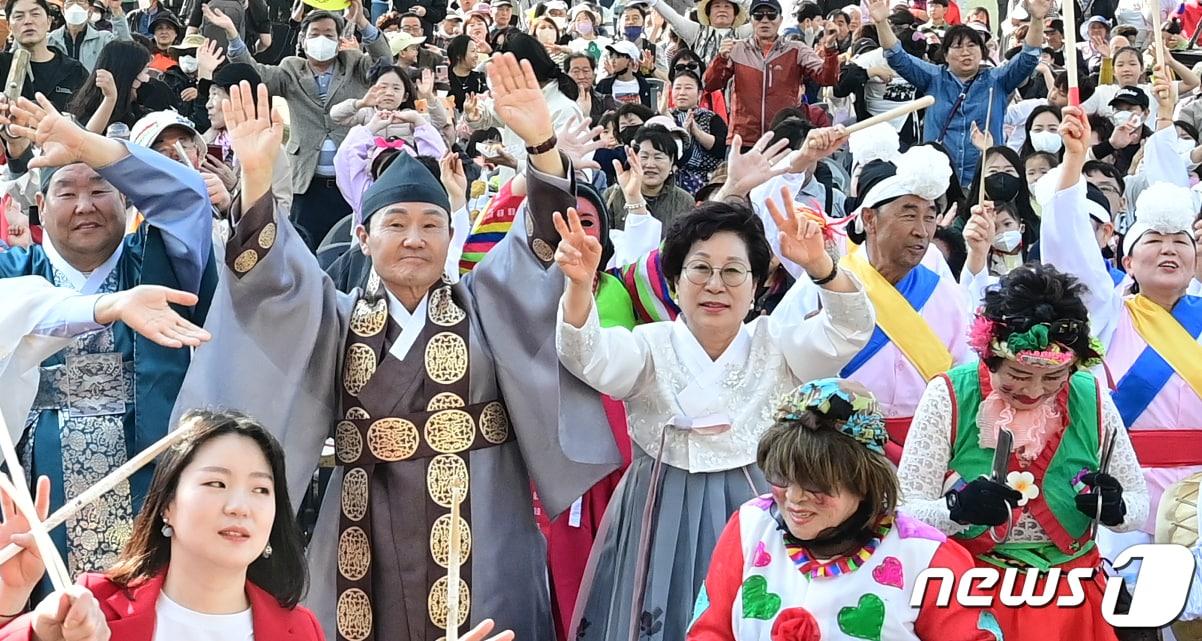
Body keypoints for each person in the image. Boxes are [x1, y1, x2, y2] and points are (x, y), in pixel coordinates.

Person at [174, 57, 623, 641]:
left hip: (482, 510)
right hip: (364, 517)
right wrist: (258, 180)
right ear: (362, 234)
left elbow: (540, 244)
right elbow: (272, 284)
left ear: (451, 235)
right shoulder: (337, 314)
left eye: (432, 225)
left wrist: (540, 144)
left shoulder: (485, 301)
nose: (415, 238)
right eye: (396, 224)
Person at [556, 129, 874, 641]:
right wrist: (577, 286)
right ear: (675, 281)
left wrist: (819, 266)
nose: (715, 285)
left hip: (756, 503)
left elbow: (848, 328)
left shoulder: (778, 343)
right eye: (699, 269)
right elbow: (585, 353)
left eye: (733, 272)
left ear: (758, 285)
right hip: (656, 502)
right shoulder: (650, 344)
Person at [0, 90, 215, 584]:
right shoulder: (16, 271)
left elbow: (188, 200)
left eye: (99, 189)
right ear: (39, 203)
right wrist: (106, 308)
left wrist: (85, 144)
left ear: (125, 198)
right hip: (35, 474)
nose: (84, 207)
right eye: (66, 192)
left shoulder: (161, 264)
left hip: (147, 463)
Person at [897, 264, 1148, 641]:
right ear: (987, 357)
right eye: (1016, 374)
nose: (1033, 390)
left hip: (1072, 591)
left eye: (1052, 378)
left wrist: (1117, 508)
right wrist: (955, 509)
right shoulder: (947, 396)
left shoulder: (1091, 397)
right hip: (973, 588)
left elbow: (1138, 500)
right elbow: (905, 510)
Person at [688, 379, 1000, 640]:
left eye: (816, 484)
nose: (794, 498)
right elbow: (709, 631)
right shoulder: (749, 526)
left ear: (864, 484)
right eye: (782, 477)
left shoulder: (928, 558)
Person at [1040, 103, 1202, 600]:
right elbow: (1069, 249)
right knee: (1136, 615)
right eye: (1154, 239)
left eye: (1181, 241)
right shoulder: (1106, 315)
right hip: (1125, 491)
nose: (1170, 248)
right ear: (1127, 259)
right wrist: (1073, 160)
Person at [0, 409, 321, 641]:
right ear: (168, 504)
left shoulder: (300, 630)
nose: (240, 507)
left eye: (260, 490)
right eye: (216, 483)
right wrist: (12, 605)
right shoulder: (89, 608)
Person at [779, 144, 970, 464]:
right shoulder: (828, 279)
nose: (921, 231)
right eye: (909, 214)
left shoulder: (940, 289)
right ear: (869, 219)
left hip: (922, 448)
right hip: (837, 446)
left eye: (930, 217)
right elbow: (786, 356)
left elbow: (963, 371)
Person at [210, 0, 393, 250]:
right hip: (307, 183)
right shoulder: (291, 70)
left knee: (349, 248)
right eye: (314, 34)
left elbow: (385, 61)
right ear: (304, 41)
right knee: (304, 248)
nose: (321, 39)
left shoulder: (355, 64)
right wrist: (232, 34)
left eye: (328, 34)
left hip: (351, 181)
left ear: (339, 41)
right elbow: (254, 74)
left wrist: (362, 22)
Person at [868, 0, 1049, 187]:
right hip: (938, 182)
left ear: (982, 52)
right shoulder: (933, 77)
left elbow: (1029, 57)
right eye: (957, 46)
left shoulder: (997, 79)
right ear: (945, 55)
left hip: (985, 181)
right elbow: (896, 57)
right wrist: (881, 23)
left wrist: (1037, 18)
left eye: (972, 46)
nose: (965, 52)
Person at [703, 0, 839, 147]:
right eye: (759, 15)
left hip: (784, 140)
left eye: (771, 15)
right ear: (752, 21)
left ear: (780, 20)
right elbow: (710, 84)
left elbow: (828, 79)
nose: (765, 20)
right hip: (743, 141)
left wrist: (830, 47)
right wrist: (720, 59)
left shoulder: (796, 49)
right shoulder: (737, 48)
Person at [0, 0, 88, 113]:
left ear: (49, 22)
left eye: (35, 14)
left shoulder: (74, 71)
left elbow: (86, 122)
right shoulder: (3, 65)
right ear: (9, 26)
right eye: (19, 16)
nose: (28, 21)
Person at [67, 41, 152, 133]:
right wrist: (110, 99)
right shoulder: (86, 110)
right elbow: (86, 139)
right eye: (144, 70)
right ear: (127, 74)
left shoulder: (141, 110)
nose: (146, 78)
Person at [668, 69, 726, 195]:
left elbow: (722, 149)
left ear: (699, 93)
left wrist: (697, 133)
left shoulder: (711, 118)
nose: (682, 93)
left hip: (708, 181)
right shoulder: (666, 118)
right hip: (673, 182)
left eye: (688, 88)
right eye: (677, 88)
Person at [645, 0, 750, 63]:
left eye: (727, 6)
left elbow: (762, 17)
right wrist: (654, 2)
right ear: (708, 13)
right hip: (703, 95)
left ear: (735, 14)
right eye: (717, 6)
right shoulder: (696, 32)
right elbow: (674, 19)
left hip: (734, 94)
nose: (722, 10)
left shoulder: (741, 34)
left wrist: (743, 1)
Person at [48, 0, 130, 72]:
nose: (75, 6)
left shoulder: (103, 39)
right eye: (70, 1)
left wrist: (116, 10)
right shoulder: (49, 40)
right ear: (63, 11)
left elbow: (125, 50)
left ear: (90, 11)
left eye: (81, 1)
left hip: (91, 88)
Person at [595, 40, 651, 107]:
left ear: (631, 61)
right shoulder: (603, 85)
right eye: (611, 56)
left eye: (618, 56)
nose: (613, 60)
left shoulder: (643, 84)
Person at [565, 52, 615, 123]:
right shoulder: (561, 100)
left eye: (586, 71)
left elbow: (609, 126)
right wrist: (599, 119)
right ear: (566, 76)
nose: (581, 76)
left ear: (593, 75)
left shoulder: (604, 101)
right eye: (575, 71)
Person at [447, 34, 487, 113]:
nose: (476, 55)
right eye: (473, 51)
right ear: (458, 55)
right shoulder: (445, 77)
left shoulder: (479, 78)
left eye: (476, 51)